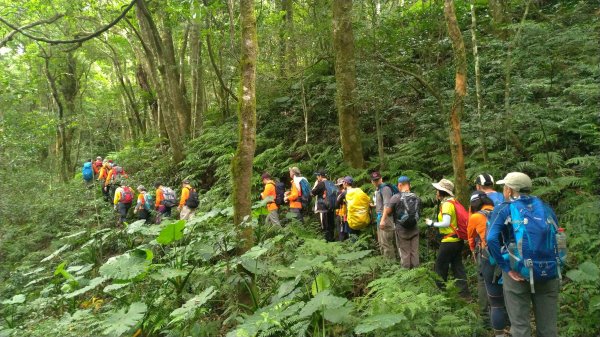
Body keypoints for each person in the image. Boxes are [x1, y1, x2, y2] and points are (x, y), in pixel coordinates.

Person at [487, 172, 560, 337]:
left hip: (517, 271)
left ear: (510, 191)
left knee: (520, 328)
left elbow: (491, 238)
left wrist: (506, 268)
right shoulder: (545, 208)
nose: (504, 190)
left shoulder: (504, 208)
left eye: (505, 187)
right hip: (548, 270)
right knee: (548, 329)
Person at [468, 191, 508, 336]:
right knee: (507, 288)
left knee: (486, 286)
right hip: (508, 255)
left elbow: (471, 237)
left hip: (488, 256)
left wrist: (473, 251)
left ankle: (487, 321)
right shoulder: (502, 211)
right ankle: (509, 321)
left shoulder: (475, 216)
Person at [425, 178, 469, 298]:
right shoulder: (453, 202)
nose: (436, 193)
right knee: (457, 267)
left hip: (449, 241)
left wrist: (431, 223)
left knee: (439, 267)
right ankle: (464, 295)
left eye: (437, 190)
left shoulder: (446, 205)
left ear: (441, 192)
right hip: (457, 240)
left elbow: (446, 222)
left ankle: (441, 296)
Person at [381, 176, 420, 268]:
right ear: (409, 185)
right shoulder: (415, 197)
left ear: (400, 185)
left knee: (405, 252)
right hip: (414, 228)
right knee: (415, 252)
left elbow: (388, 211)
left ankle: (406, 274)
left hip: (401, 229)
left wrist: (383, 219)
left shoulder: (396, 197)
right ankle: (417, 274)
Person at [372, 171, 397, 259]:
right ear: (372, 181)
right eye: (374, 180)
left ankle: (391, 267)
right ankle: (385, 265)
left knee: (386, 244)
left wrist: (382, 220)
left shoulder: (385, 189)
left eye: (377, 180)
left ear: (381, 179)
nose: (376, 182)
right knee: (381, 243)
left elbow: (387, 205)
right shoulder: (378, 189)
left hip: (386, 219)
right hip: (380, 217)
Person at [311, 170, 337, 242]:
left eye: (317, 176)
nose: (317, 177)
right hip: (331, 207)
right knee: (331, 224)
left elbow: (312, 193)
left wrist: (316, 184)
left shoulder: (321, 184)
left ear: (320, 176)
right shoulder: (331, 183)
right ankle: (332, 240)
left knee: (324, 226)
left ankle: (327, 242)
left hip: (323, 208)